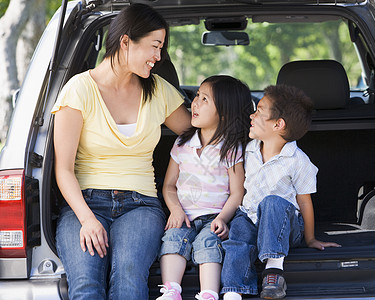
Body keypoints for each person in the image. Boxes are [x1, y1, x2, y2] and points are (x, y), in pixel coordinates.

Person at [52, 4, 191, 299]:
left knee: (129, 281)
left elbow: (197, 133)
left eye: (161, 49)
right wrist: (87, 219)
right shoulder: (79, 90)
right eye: (154, 46)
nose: (159, 57)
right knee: (86, 287)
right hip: (86, 202)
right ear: (126, 41)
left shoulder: (158, 90)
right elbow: (62, 169)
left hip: (141, 205)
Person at [221, 84, 341, 300]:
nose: (251, 115)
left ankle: (273, 271)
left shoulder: (298, 162)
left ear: (278, 124)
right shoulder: (249, 150)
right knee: (238, 232)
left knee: (272, 202)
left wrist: (310, 238)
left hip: (285, 227)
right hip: (251, 218)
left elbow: (305, 203)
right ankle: (233, 289)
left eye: (258, 111)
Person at [155, 75, 254, 300]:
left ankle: (209, 294)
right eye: (197, 96)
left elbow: (238, 191)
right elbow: (169, 185)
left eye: (204, 99)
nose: (195, 103)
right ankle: (171, 290)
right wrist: (175, 209)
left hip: (214, 217)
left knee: (208, 242)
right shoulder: (182, 143)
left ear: (224, 113)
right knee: (172, 239)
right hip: (184, 215)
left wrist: (223, 218)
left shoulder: (231, 148)